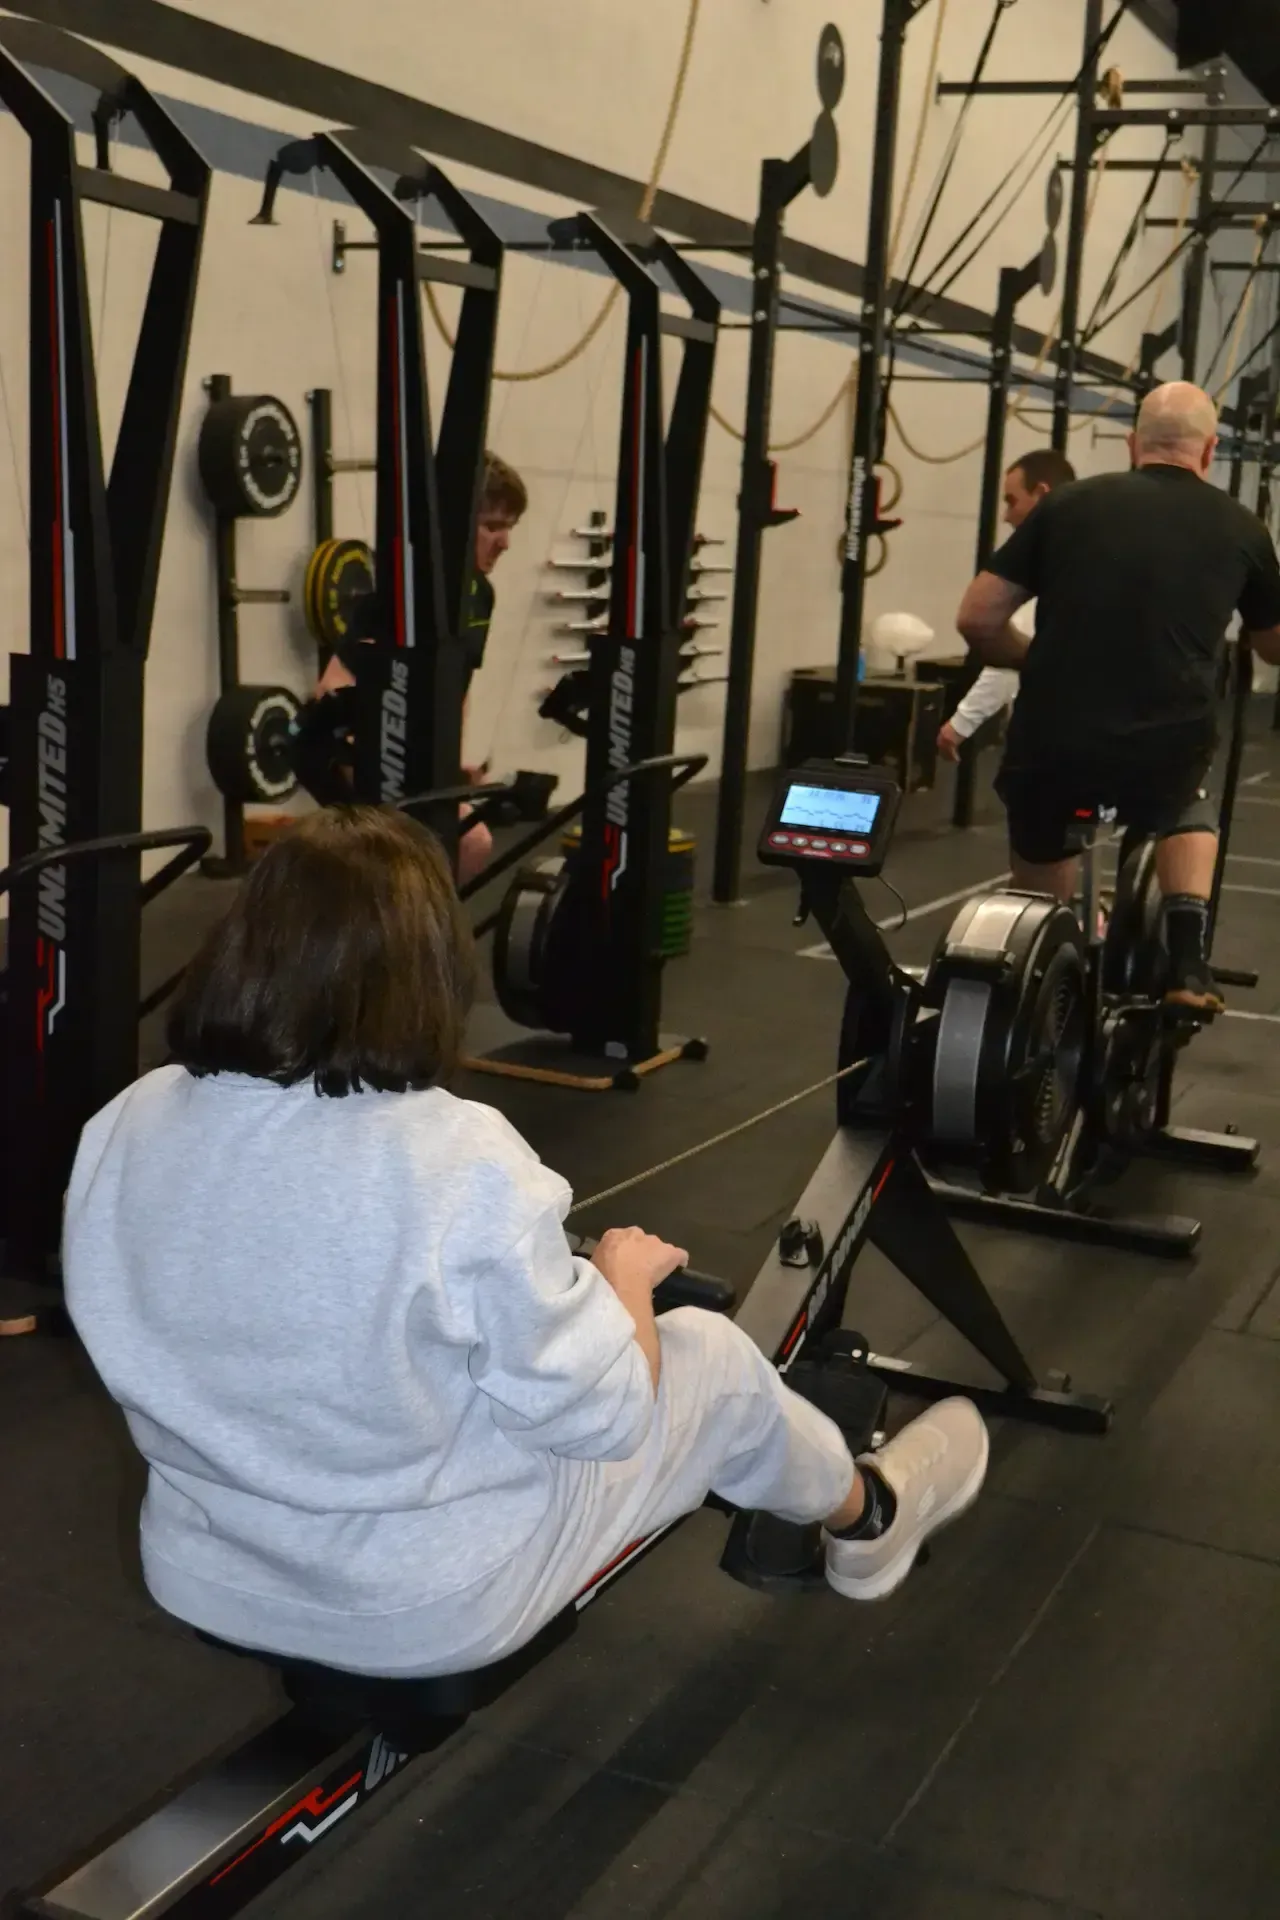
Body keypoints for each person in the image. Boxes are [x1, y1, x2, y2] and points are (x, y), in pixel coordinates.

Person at [62, 809, 988, 1679]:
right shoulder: (457, 1153)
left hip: (200, 1567)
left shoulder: (127, 1119)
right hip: (430, 1603)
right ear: (428, 972)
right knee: (715, 1361)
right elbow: (607, 1419)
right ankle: (870, 1521)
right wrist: (622, 1281)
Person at [956, 382, 1280, 1014]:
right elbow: (1274, 648)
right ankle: (1188, 961)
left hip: (1055, 742)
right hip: (1163, 750)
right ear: (1209, 451)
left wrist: (1032, 657)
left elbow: (976, 620)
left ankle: (1045, 983)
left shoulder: (1067, 505)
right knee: (1187, 802)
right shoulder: (1243, 526)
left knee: (1045, 843)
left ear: (1133, 445)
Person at [312, 451, 529, 886]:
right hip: (342, 750)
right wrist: (374, 765)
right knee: (432, 851)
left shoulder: (478, 596)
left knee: (465, 844)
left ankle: (419, 942)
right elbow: (331, 688)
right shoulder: (400, 594)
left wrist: (451, 763)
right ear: (456, 527)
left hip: (410, 763)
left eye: (509, 528)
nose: (504, 542)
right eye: (492, 527)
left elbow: (457, 688)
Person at [936, 448, 1076, 764]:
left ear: (1042, 495)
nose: (1006, 515)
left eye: (1012, 501)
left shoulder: (1053, 556)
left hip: (1057, 739)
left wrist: (959, 725)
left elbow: (1009, 654)